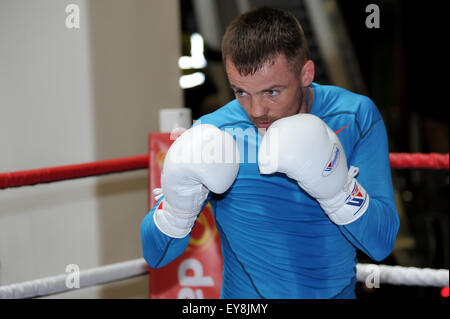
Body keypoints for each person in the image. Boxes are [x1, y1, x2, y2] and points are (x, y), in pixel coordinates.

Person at [141, 6, 399, 299]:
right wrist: (177, 209)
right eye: (241, 92)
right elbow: (156, 256)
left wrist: (340, 190)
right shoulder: (215, 132)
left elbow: (381, 243)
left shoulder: (353, 117)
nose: (257, 111)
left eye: (272, 92)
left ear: (306, 73)